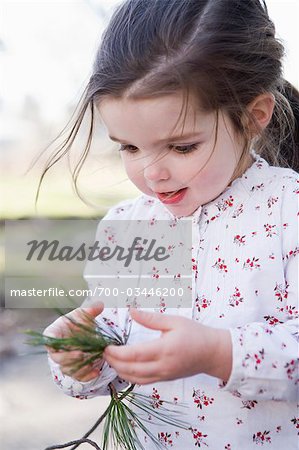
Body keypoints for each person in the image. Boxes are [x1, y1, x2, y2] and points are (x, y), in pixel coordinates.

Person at [43, 0, 299, 448]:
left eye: (181, 148)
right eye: (129, 148)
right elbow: (111, 355)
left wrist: (219, 353)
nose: (151, 173)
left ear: (254, 115)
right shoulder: (129, 225)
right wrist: (80, 358)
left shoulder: (286, 210)